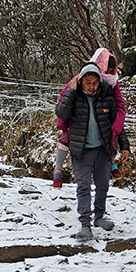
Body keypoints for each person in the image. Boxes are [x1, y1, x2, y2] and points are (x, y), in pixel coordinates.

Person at [55, 62, 131, 240]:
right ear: (81, 81)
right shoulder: (74, 98)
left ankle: (99, 217)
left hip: (102, 150)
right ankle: (85, 224)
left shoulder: (106, 97)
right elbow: (61, 113)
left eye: (95, 82)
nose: (91, 86)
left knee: (103, 185)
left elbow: (117, 124)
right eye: (87, 82)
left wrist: (124, 146)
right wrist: (71, 91)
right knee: (83, 187)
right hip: (81, 151)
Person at [53, 48, 126, 188]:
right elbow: (64, 98)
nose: (109, 74)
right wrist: (62, 125)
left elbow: (119, 106)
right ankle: (58, 170)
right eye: (107, 70)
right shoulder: (81, 79)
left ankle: (112, 163)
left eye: (112, 71)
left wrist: (116, 128)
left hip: (102, 122)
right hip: (77, 123)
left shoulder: (112, 83)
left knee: (110, 135)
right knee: (65, 140)